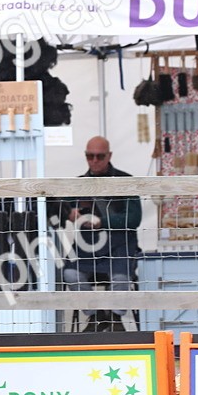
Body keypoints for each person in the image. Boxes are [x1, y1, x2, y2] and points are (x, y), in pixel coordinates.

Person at [60, 136, 143, 330]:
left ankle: (116, 318)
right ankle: (95, 315)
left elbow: (134, 219)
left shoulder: (126, 181)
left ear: (109, 156)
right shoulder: (77, 185)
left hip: (120, 246)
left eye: (99, 156)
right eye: (90, 156)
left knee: (121, 278)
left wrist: (102, 222)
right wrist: (68, 212)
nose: (94, 160)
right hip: (85, 248)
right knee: (70, 273)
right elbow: (56, 205)